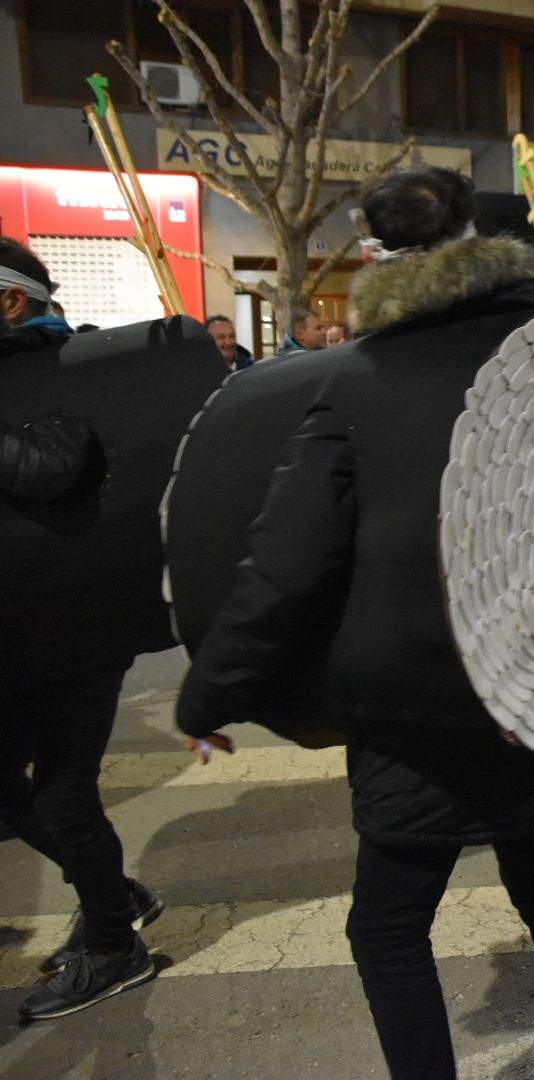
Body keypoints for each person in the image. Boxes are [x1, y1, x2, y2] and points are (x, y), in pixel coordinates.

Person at [174, 167, 534, 1080]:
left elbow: (286, 564)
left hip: (415, 712)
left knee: (389, 927)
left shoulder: (360, 380)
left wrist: (210, 693)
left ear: (379, 260)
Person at [1, 238, 165, 1020]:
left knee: (65, 794)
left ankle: (113, 944)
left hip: (77, 627)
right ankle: (116, 896)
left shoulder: (68, 369)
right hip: (20, 628)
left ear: (11, 301)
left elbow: (51, 469)